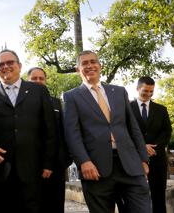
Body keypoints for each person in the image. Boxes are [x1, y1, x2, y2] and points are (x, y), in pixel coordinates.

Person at [63, 50, 150, 213]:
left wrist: (143, 159)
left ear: (100, 66)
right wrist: (84, 162)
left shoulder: (119, 91)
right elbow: (72, 134)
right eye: (84, 63)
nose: (89, 66)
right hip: (96, 169)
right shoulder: (71, 97)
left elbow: (133, 127)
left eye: (93, 62)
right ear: (77, 69)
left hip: (130, 165)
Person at [0, 51, 57, 213]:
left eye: (10, 62)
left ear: (19, 66)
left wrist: (48, 163)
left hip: (33, 169)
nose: (5, 67)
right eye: (1, 65)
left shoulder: (38, 91)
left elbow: (50, 129)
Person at [28, 67, 72, 213]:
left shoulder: (56, 102)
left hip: (55, 167)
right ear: (27, 81)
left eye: (41, 78)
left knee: (55, 206)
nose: (38, 81)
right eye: (34, 78)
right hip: (30, 166)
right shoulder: (21, 103)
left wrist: (64, 159)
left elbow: (63, 131)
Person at [131, 76, 172, 213]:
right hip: (134, 159)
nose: (148, 94)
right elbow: (123, 132)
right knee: (133, 197)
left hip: (157, 158)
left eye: (151, 92)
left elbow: (167, 132)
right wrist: (142, 146)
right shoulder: (127, 108)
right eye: (145, 91)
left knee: (159, 196)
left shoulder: (161, 109)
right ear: (137, 89)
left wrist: (153, 147)